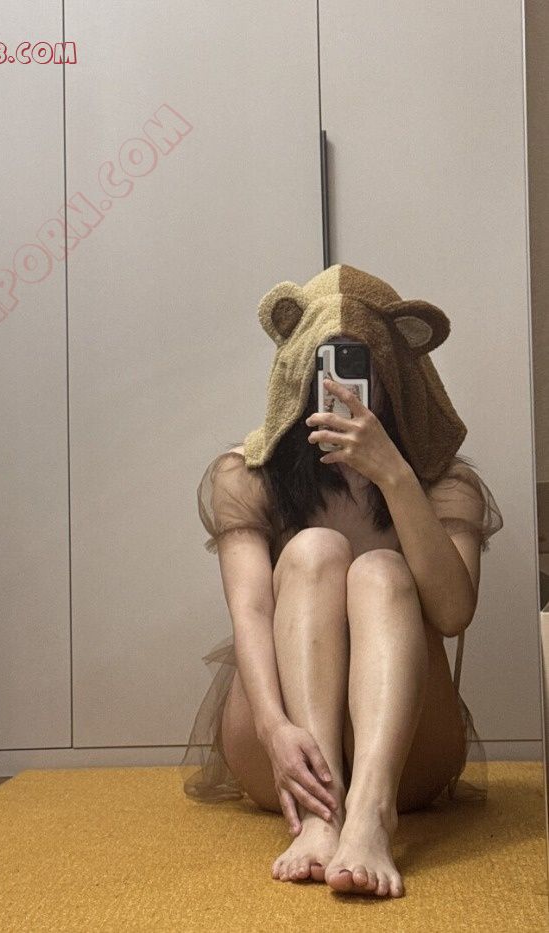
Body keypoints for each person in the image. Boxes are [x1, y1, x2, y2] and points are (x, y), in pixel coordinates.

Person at [180, 265, 503, 899]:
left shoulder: (443, 484)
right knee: (314, 549)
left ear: (400, 377)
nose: (345, 384)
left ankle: (372, 812)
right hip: (282, 752)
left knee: (380, 569)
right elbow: (251, 612)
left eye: (364, 365)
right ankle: (322, 818)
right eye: (327, 362)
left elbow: (453, 612)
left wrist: (395, 477)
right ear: (299, 372)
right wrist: (274, 729)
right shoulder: (247, 475)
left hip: (407, 758)